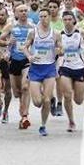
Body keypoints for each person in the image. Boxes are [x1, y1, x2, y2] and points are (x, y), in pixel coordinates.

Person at [23, 8, 62, 137]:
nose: (43, 19)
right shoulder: (33, 32)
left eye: (45, 16)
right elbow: (25, 47)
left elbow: (61, 48)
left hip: (49, 68)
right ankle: (46, 97)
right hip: (35, 68)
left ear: (50, 17)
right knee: (37, 102)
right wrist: (29, 56)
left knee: (45, 100)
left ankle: (43, 125)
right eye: (41, 17)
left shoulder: (56, 33)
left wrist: (59, 50)